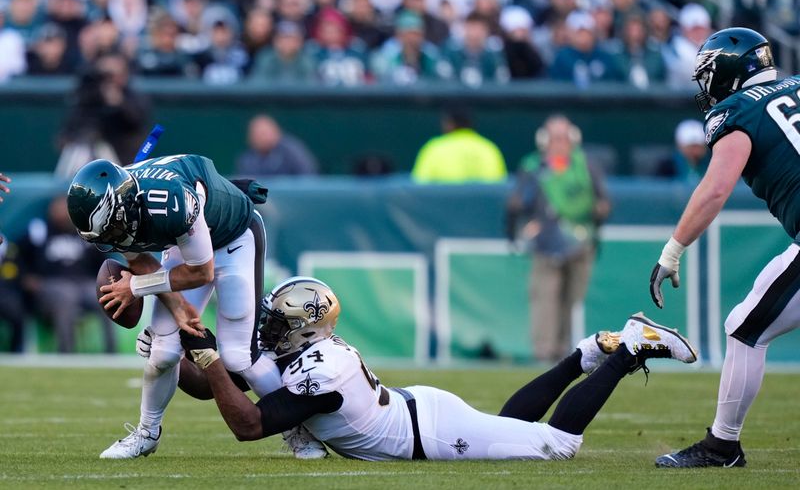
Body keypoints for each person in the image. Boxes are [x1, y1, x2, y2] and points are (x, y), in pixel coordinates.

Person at [176, 276, 697, 461]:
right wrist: (171, 351)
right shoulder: (296, 353)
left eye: (276, 321)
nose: (266, 329)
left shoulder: (320, 371)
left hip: (428, 433)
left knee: (556, 446)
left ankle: (630, 346)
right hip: (420, 412)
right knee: (516, 427)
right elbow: (210, 388)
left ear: (305, 329)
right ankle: (585, 356)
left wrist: (214, 359)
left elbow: (247, 424)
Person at [66, 154, 326, 459]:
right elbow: (143, 262)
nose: (112, 239)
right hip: (183, 244)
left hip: (234, 237)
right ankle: (147, 433)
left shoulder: (172, 201)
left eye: (112, 228)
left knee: (238, 356)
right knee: (163, 350)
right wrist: (177, 309)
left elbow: (202, 272)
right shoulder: (112, 216)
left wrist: (134, 287)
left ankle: (297, 430)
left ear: (124, 203)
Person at [649, 27, 795, 468]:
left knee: (744, 329)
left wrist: (673, 249)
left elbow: (715, 189)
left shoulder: (738, 110)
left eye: (709, 74)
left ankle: (721, 446)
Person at [506, 115, 610, 363]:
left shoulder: (585, 165)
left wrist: (597, 213)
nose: (559, 143)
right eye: (554, 138)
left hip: (580, 243)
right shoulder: (533, 166)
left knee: (571, 298)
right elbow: (518, 201)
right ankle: (544, 351)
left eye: (563, 138)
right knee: (545, 297)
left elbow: (603, 200)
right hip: (545, 244)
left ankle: (562, 349)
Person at [17, 196, 114, 353]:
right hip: (50, 284)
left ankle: (112, 353)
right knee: (66, 295)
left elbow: (103, 262)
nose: (62, 213)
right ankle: (67, 354)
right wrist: (26, 278)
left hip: (83, 283)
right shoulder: (39, 231)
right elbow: (17, 256)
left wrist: (106, 280)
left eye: (66, 209)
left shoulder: (86, 232)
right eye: (58, 208)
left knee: (106, 295)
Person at [411, 109, 507, 183]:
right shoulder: (489, 148)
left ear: (449, 123)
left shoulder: (434, 148)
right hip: (483, 208)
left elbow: (418, 189)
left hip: (442, 208)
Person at [235, 115, 319, 176]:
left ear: (276, 132)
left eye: (264, 133)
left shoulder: (291, 151)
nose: (261, 138)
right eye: (256, 134)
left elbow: (308, 176)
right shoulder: (247, 159)